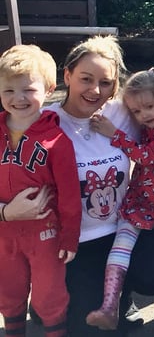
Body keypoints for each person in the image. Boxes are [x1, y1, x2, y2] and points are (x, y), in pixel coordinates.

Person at [43, 35, 154, 336]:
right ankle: (52, 296)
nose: (95, 90)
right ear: (67, 75)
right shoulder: (46, 120)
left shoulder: (123, 113)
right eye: (86, 78)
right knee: (85, 329)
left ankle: (122, 297)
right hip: (76, 242)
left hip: (123, 224)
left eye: (106, 82)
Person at [85, 67, 154, 330]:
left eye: (149, 106)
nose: (144, 115)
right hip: (139, 202)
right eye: (136, 111)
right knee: (121, 246)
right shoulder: (147, 128)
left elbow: (145, 156)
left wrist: (114, 133)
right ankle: (110, 305)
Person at [0, 45, 80, 337]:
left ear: (48, 89)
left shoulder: (57, 141)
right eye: (8, 90)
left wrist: (70, 236)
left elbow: (70, 195)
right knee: (8, 289)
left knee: (49, 294)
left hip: (45, 232)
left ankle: (54, 331)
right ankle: (14, 330)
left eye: (27, 89)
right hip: (4, 231)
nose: (18, 98)